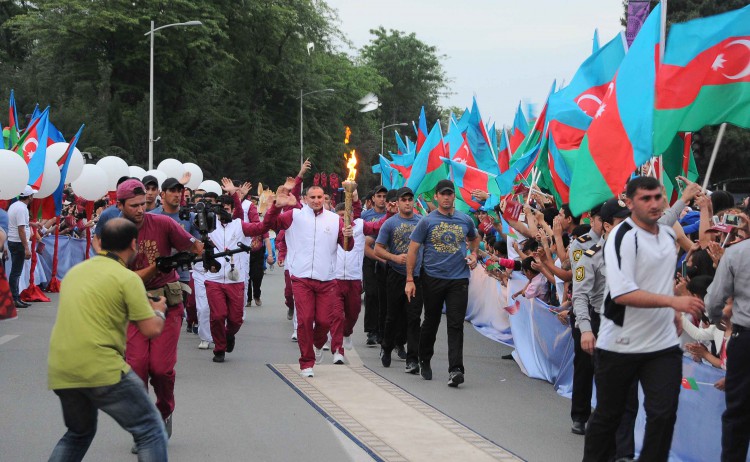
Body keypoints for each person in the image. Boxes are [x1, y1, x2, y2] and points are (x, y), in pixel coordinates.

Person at [583, 177, 704, 461]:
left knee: (663, 414)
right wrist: (674, 302)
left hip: (661, 346)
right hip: (620, 343)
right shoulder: (621, 237)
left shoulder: (667, 235)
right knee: (609, 416)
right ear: (630, 202)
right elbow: (623, 294)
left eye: (657, 197)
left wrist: (673, 310)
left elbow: (660, 281)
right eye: (645, 198)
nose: (653, 204)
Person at [47, 218, 169, 461]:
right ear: (134, 244)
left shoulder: (75, 272)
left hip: (62, 369)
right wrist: (159, 310)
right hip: (102, 368)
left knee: (78, 433)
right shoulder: (128, 278)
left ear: (100, 242)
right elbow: (151, 329)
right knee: (151, 431)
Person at [116, 179, 204, 450]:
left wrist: (199, 246)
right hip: (133, 306)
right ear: (119, 206)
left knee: (162, 369)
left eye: (144, 204)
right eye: (134, 206)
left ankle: (164, 411)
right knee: (137, 367)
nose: (141, 210)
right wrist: (156, 266)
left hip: (167, 302)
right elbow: (121, 277)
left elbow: (194, 246)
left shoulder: (164, 223)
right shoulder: (114, 233)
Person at [265, 184, 353, 378]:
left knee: (323, 321)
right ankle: (306, 362)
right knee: (304, 320)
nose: (316, 200)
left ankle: (318, 343)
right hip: (301, 277)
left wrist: (349, 236)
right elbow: (270, 224)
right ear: (305, 199)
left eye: (320, 197)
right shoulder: (294, 216)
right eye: (312, 197)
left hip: (327, 278)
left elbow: (347, 247)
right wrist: (276, 206)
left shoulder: (335, 219)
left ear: (324, 198)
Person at [573, 199, 637, 460]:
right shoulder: (589, 253)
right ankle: (584, 424)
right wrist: (586, 330)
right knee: (607, 393)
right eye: (622, 222)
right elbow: (580, 295)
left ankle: (624, 454)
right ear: (608, 226)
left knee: (630, 398)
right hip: (602, 323)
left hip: (633, 328)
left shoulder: (638, 251)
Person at [406, 179, 479, 387]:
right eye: (443, 194)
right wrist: (410, 279)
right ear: (436, 197)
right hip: (433, 278)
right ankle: (424, 358)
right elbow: (412, 250)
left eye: (450, 194)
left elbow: (475, 238)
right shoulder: (427, 221)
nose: (447, 197)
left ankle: (455, 369)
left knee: (455, 324)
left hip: (458, 279)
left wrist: (473, 254)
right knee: (431, 320)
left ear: (454, 196)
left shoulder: (465, 220)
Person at [203, 192, 271, 363]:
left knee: (236, 319)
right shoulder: (209, 226)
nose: (222, 213)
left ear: (233, 210)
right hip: (214, 278)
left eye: (226, 209)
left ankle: (229, 335)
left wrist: (274, 208)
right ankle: (219, 348)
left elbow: (262, 228)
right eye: (220, 209)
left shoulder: (240, 225)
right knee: (218, 316)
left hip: (235, 279)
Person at [705, 226, 750, 461]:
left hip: (745, 341)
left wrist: (715, 320)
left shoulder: (736, 253)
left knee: (738, 413)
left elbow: (714, 299)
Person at [375, 187, 423, 374]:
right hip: (395, 274)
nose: (407, 203)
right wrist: (394, 258)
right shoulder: (390, 223)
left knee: (413, 318)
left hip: (417, 276)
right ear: (398, 202)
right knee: (392, 315)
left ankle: (412, 359)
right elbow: (378, 249)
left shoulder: (422, 222)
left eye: (410, 199)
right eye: (404, 200)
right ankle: (387, 347)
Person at [150, 177, 202, 334]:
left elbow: (198, 245)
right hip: (155, 275)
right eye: (172, 190)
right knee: (153, 318)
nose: (177, 194)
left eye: (180, 191)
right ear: (162, 194)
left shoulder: (189, 217)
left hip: (181, 276)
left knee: (174, 319)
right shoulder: (152, 216)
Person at [362, 185, 388, 346]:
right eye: (379, 196)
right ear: (373, 199)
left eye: (384, 196)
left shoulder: (390, 215)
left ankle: (381, 330)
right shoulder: (366, 215)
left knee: (383, 295)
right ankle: (371, 330)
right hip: (369, 258)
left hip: (386, 259)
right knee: (371, 294)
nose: (382, 199)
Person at [7, 185, 36, 309]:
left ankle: (15, 297)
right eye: (32, 195)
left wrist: (32, 223)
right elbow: (21, 229)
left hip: (14, 241)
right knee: (16, 272)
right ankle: (14, 298)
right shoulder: (21, 209)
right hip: (18, 242)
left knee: (16, 272)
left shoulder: (15, 206)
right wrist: (26, 248)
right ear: (29, 196)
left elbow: (20, 224)